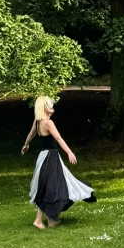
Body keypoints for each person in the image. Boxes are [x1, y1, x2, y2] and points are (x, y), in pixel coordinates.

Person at [21, 95, 96, 229]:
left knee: (51, 188)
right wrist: (69, 152)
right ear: (44, 108)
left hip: (44, 157)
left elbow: (30, 135)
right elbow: (59, 138)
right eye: (50, 105)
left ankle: (51, 220)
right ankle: (39, 220)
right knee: (50, 188)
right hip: (50, 158)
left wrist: (26, 145)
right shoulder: (48, 123)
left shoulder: (37, 122)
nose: (52, 107)